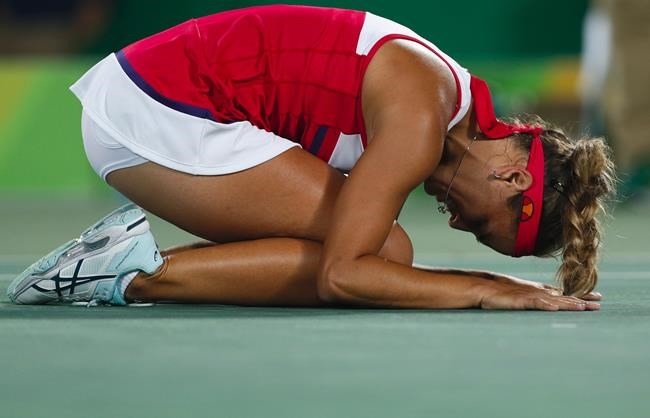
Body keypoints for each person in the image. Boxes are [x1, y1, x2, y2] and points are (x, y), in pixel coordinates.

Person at [8, 5, 615, 310]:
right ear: (513, 175)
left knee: (380, 247)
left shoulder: (440, 105)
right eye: (483, 224)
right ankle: (131, 275)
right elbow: (342, 275)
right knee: (383, 253)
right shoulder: (421, 116)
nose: (456, 223)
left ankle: (120, 264)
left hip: (144, 98)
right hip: (156, 107)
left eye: (473, 237)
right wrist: (485, 288)